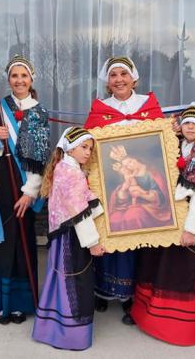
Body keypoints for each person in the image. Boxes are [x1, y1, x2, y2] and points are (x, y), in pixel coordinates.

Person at [83, 56, 165, 325]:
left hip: (141, 182)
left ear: (134, 78)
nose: (119, 79)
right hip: (109, 184)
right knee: (108, 233)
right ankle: (103, 291)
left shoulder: (148, 106)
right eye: (114, 75)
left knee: (136, 234)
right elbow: (88, 144)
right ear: (108, 82)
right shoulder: (100, 109)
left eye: (123, 74)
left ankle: (132, 294)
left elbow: (160, 144)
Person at [130, 102, 195, 345]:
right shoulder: (175, 146)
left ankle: (176, 325)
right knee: (155, 264)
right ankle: (148, 315)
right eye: (187, 123)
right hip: (164, 215)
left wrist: (191, 229)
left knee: (179, 271)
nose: (190, 127)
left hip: (187, 218)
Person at [0, 55, 50, 324]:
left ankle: (19, 304)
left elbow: (40, 157)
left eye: (24, 76)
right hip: (2, 178)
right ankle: (2, 303)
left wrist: (29, 192)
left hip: (25, 182)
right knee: (2, 239)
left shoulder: (39, 112)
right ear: (8, 79)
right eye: (14, 76)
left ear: (31, 79)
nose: (19, 81)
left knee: (22, 240)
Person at [32, 127, 107, 351]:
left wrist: (101, 209)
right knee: (76, 283)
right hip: (71, 237)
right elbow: (77, 213)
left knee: (62, 282)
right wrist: (93, 243)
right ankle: (72, 335)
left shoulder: (66, 168)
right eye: (84, 147)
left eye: (90, 149)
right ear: (70, 147)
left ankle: (53, 329)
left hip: (64, 234)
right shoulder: (71, 173)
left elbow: (83, 200)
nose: (87, 152)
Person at [105, 145, 172, 232]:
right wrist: (123, 191)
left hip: (153, 207)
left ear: (136, 159)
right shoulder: (131, 175)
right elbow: (125, 196)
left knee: (133, 215)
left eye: (130, 162)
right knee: (114, 218)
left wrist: (141, 194)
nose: (129, 166)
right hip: (133, 204)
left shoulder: (151, 173)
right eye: (126, 166)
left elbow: (161, 195)